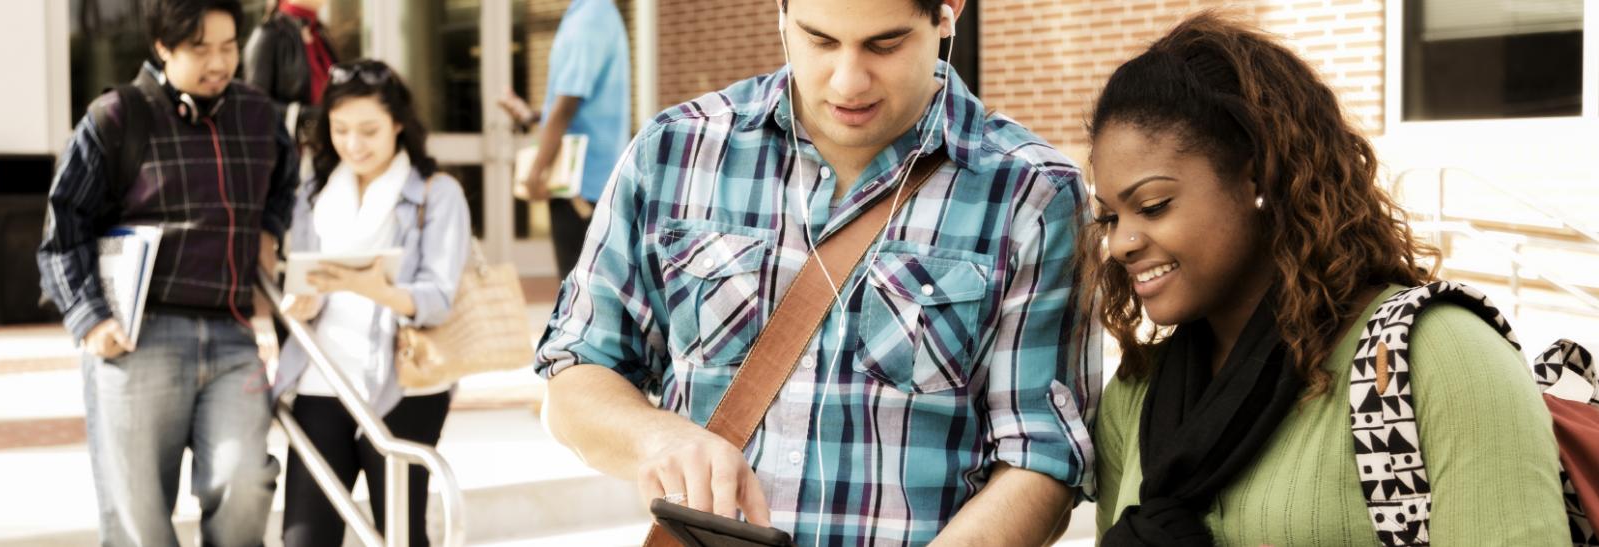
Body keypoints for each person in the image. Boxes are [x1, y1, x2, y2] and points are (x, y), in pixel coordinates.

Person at [534, 0, 1101, 544]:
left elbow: (1043, 457)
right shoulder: (674, 153)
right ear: (780, 11)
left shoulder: (1032, 192)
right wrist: (658, 439)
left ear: (947, 12)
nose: (847, 81)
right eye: (819, 39)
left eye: (886, 43)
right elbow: (577, 372)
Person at [1085, 12, 1567, 546]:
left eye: (1153, 206)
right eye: (1110, 217)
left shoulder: (1440, 358)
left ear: (1256, 177)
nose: (1121, 242)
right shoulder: (1135, 395)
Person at [36, 0, 296, 544]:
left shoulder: (258, 115)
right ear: (162, 46)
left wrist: (268, 230)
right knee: (139, 523)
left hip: (231, 337)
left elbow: (285, 178)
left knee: (246, 481)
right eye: (200, 50)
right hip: (138, 338)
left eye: (228, 47)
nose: (219, 63)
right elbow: (63, 230)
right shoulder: (116, 116)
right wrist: (90, 320)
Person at [272, 59, 470, 547]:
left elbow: (438, 298)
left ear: (398, 124)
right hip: (322, 374)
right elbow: (304, 278)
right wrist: (304, 301)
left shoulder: (437, 194)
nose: (353, 144)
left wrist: (361, 282)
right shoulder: (314, 191)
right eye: (340, 130)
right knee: (304, 535)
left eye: (368, 130)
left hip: (405, 380)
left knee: (400, 531)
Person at [495, 0, 629, 279]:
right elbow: (573, 105)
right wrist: (530, 116)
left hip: (583, 184)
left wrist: (535, 173)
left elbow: (568, 103)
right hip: (583, 181)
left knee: (577, 294)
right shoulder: (587, 12)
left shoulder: (591, 15)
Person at [244, 0, 338, 139]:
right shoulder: (268, 33)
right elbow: (254, 105)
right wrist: (306, 115)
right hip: (290, 148)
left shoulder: (320, 31)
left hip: (325, 144)